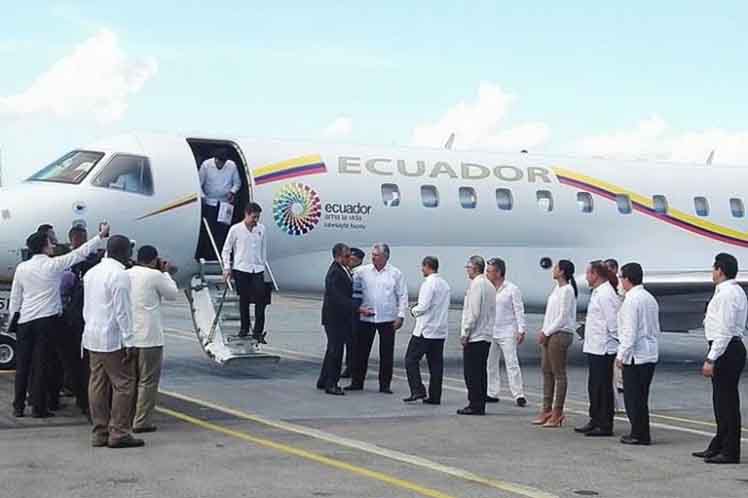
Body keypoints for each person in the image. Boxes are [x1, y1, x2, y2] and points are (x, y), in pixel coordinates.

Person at [8, 223, 108, 418]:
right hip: (46, 320)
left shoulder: (22, 268)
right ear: (44, 246)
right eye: (50, 242)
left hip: (25, 320)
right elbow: (79, 253)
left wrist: (13, 318)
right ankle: (39, 407)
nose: (53, 245)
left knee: (23, 364)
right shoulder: (53, 265)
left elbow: (15, 296)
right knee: (41, 363)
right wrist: (100, 236)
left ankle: (18, 405)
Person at [83, 235, 144, 448]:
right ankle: (119, 432)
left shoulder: (92, 273)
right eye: (130, 251)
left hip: (92, 336)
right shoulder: (119, 275)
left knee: (97, 384)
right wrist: (130, 341)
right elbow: (123, 311)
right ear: (124, 251)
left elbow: (87, 307)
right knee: (124, 384)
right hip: (112, 338)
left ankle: (99, 432)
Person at [693, 253, 747, 464]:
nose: (712, 272)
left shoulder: (727, 294)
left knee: (727, 403)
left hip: (726, 350)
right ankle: (719, 445)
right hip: (726, 348)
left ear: (720, 270)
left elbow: (724, 331)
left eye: (714, 268)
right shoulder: (728, 291)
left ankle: (730, 451)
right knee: (721, 401)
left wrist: (711, 358)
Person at [127, 245, 179, 433]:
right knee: (148, 381)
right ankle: (141, 421)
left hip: (130, 335)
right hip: (150, 336)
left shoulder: (127, 274)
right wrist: (165, 273)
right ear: (153, 259)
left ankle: (127, 416)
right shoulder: (155, 275)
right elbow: (172, 294)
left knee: (130, 380)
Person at [346, 243, 407, 394]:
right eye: (372, 255)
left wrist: (401, 316)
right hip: (366, 318)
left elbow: (402, 296)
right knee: (361, 352)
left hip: (387, 319)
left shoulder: (395, 273)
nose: (373, 258)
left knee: (386, 354)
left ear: (386, 257)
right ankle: (357, 381)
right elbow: (346, 276)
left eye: (376, 255)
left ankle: (384, 385)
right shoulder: (362, 271)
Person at [318, 244, 373, 395]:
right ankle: (332, 384)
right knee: (336, 351)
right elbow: (337, 297)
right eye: (347, 256)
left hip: (338, 317)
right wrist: (357, 308)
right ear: (338, 257)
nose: (350, 259)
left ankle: (323, 380)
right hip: (335, 318)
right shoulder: (336, 272)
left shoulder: (343, 270)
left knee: (332, 350)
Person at [615, 262, 659, 446]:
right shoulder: (649, 297)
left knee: (634, 397)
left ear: (627, 279)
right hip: (649, 353)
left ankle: (639, 433)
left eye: (621, 277)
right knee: (641, 396)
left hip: (636, 355)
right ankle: (641, 431)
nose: (619, 281)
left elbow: (629, 332)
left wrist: (621, 356)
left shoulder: (632, 300)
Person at [576, 261, 621, 437]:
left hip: (604, 348)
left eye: (588, 273)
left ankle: (605, 424)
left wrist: (620, 345)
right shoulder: (598, 292)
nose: (586, 276)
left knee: (603, 388)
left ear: (595, 274)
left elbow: (613, 323)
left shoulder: (606, 294)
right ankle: (595, 419)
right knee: (594, 386)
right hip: (595, 347)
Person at [60, 224, 102, 416]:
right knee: (76, 360)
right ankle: (78, 393)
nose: (80, 242)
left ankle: (83, 398)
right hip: (76, 316)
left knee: (83, 361)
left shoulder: (91, 260)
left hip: (82, 316)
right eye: (78, 238)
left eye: (82, 238)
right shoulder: (70, 260)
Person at [533, 260, 577, 428]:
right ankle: (546, 409)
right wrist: (544, 330)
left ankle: (557, 411)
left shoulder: (567, 290)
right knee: (546, 370)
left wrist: (547, 331)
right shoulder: (557, 289)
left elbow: (563, 316)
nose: (553, 270)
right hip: (550, 332)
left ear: (563, 271)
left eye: (556, 268)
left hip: (560, 333)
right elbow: (550, 314)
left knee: (558, 373)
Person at [403, 257, 451, 405]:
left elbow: (423, 306)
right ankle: (435, 396)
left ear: (427, 266)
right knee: (436, 365)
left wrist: (413, 310)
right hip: (440, 330)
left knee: (410, 360)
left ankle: (417, 390)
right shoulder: (444, 284)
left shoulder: (428, 284)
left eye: (423, 267)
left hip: (425, 330)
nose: (421, 270)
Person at [222, 203, 269, 343]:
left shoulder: (262, 229)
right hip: (241, 268)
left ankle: (258, 331)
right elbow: (226, 249)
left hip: (257, 269)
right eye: (254, 217)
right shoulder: (235, 229)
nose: (256, 220)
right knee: (244, 300)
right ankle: (244, 328)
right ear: (246, 214)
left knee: (261, 300)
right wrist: (226, 267)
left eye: (258, 217)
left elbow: (263, 248)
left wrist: (262, 264)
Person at [485, 257, 527, 407]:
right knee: (490, 363)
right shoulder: (488, 288)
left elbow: (519, 310)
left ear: (499, 272)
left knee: (512, 363)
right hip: (491, 331)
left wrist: (521, 329)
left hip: (508, 331)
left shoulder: (512, 289)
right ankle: (492, 392)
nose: (487, 273)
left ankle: (518, 394)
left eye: (489, 271)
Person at [458, 255, 496, 415]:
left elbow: (473, 312)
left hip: (476, 335)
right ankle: (479, 403)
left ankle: (474, 404)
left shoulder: (476, 285)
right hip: (486, 334)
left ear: (474, 268)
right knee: (481, 372)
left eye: (468, 267)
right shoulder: (489, 285)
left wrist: (465, 333)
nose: (466, 270)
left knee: (471, 372)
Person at [198, 148, 242, 255]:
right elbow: (199, 184)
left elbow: (237, 183)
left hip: (225, 204)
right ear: (215, 159)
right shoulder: (206, 165)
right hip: (210, 202)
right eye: (219, 162)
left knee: (223, 231)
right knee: (209, 230)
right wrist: (202, 198)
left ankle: (222, 253)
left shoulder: (231, 165)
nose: (221, 165)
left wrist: (232, 192)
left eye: (223, 163)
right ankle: (208, 253)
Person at [341, 247, 366, 378]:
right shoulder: (348, 271)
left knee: (353, 339)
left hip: (356, 304)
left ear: (359, 260)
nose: (350, 261)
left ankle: (352, 367)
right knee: (349, 339)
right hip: (350, 306)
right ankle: (350, 366)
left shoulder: (360, 273)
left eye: (353, 259)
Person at [605, 257, 626, 414]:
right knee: (612, 376)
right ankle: (615, 405)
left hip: (620, 336)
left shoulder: (621, 289)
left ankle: (622, 406)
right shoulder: (606, 288)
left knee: (620, 376)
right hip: (609, 339)